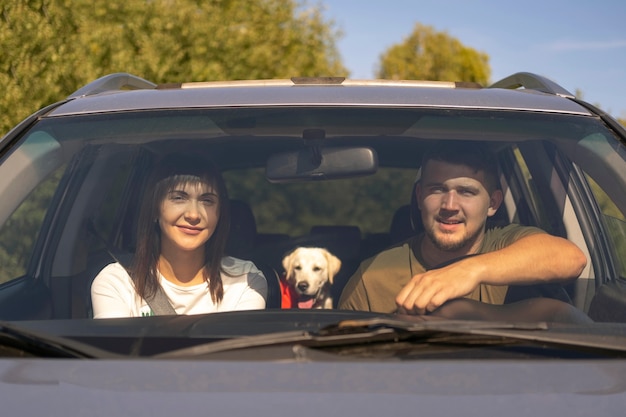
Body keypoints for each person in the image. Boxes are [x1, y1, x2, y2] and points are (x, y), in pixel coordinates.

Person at [338, 141, 587, 315]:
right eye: (437, 190)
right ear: (418, 196)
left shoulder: (506, 243)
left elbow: (571, 258)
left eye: (466, 192)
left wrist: (469, 271)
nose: (449, 205)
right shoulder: (372, 278)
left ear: (493, 203)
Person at [91, 154, 267, 318]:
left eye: (207, 201)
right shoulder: (116, 283)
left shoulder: (246, 280)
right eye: (178, 198)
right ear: (154, 209)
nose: (193, 214)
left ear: (219, 214)